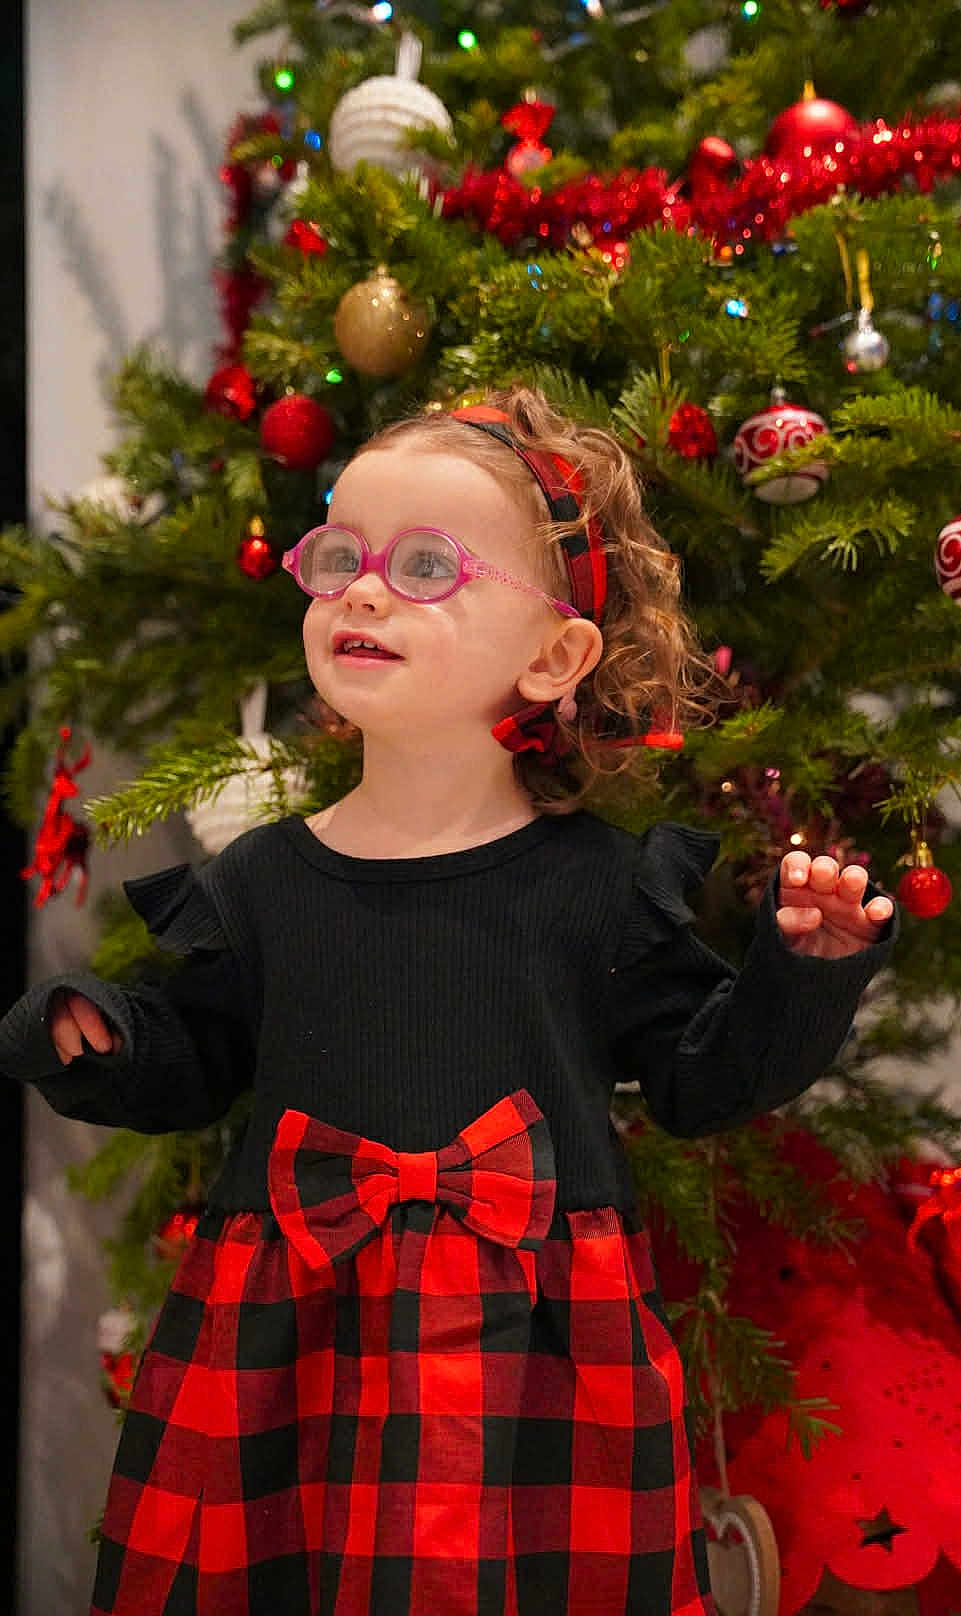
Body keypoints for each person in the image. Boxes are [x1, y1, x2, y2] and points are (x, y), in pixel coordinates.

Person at [1, 387, 896, 1616]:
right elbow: (191, 1052)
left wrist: (807, 967)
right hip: (290, 1344)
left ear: (554, 654)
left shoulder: (600, 885)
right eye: (341, 558)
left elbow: (704, 1077)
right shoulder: (260, 876)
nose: (363, 591)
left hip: (537, 1358)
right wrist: (95, 1032)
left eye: (427, 565)